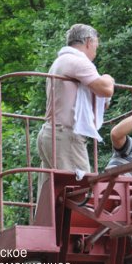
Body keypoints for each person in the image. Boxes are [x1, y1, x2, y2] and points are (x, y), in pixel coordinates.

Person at [37, 24, 115, 192]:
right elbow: (106, 89)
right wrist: (108, 78)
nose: (96, 50)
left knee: (52, 195)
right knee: (81, 192)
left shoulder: (61, 61)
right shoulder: (77, 61)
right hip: (66, 136)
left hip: (51, 134)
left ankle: (47, 219)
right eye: (96, 45)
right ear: (88, 42)